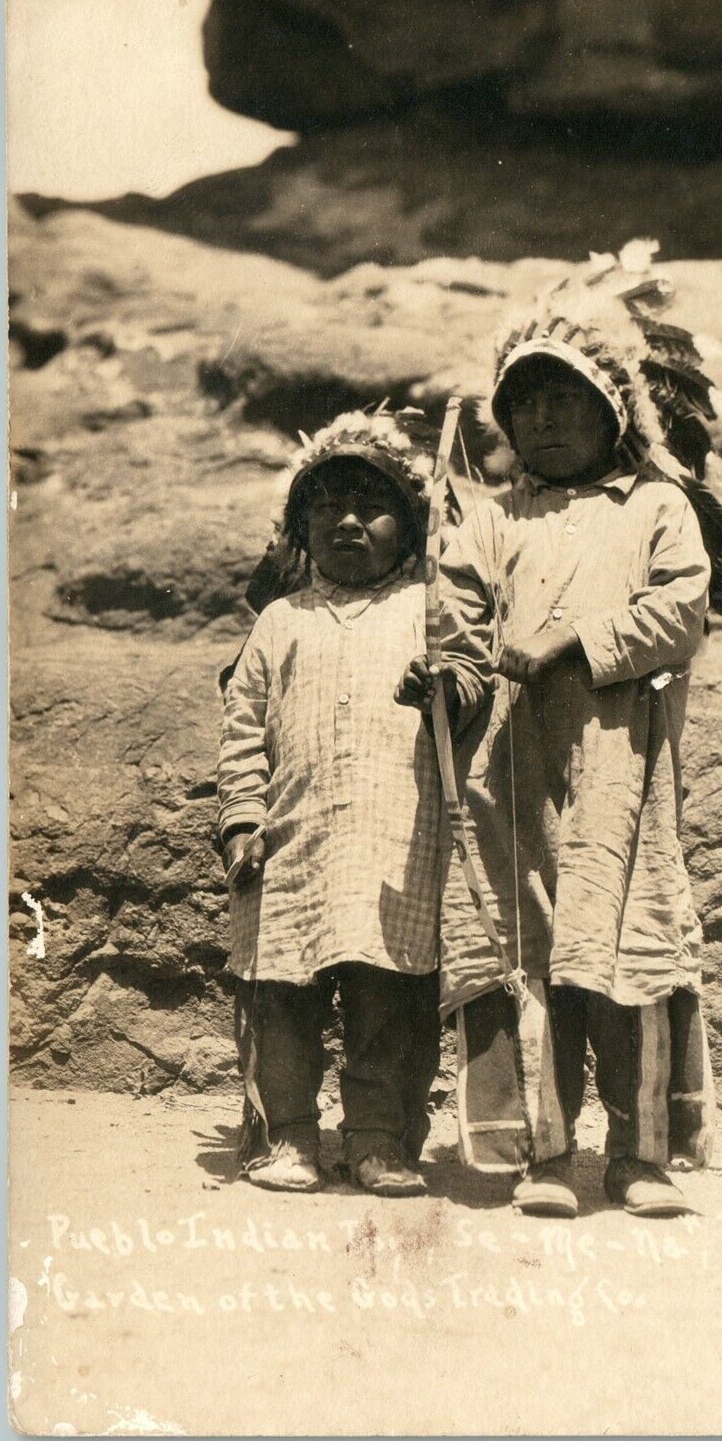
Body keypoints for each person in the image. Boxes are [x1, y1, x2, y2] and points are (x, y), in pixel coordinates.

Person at [398, 244, 722, 1220]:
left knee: (624, 946)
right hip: (511, 769)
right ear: (502, 421)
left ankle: (639, 1154)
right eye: (523, 402)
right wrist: (444, 685)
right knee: (529, 949)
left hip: (622, 759)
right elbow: (456, 632)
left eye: (565, 397)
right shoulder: (486, 521)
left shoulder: (654, 506)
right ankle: (542, 1154)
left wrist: (574, 640)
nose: (543, 417)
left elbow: (681, 618)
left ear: (610, 410)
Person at [218, 409, 472, 1197]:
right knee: (281, 996)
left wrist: (444, 689)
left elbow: (472, 683)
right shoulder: (277, 622)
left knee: (389, 998)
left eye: (371, 506)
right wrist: (241, 820)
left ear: (414, 523)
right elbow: (241, 731)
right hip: (289, 846)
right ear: (298, 529)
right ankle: (288, 1134)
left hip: (394, 843)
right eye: (326, 508)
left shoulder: (428, 610)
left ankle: (378, 1138)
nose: (348, 522)